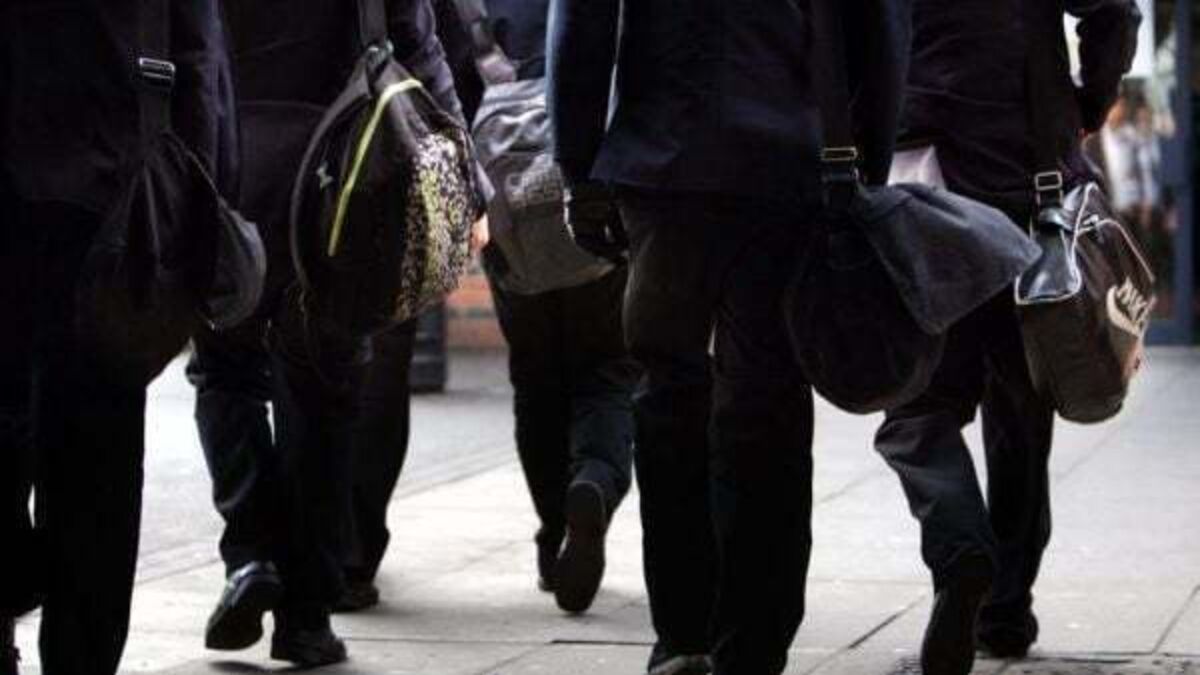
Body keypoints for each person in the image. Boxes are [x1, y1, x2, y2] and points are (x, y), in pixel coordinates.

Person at [547, 0, 910, 673]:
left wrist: (578, 167)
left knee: (669, 393)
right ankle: (754, 641)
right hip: (791, 160)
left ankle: (683, 632)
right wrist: (869, 159)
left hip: (664, 158)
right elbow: (880, 26)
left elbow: (582, 21)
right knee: (768, 402)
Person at [191, 0, 487, 666]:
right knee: (324, 387)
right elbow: (418, 45)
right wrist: (467, 181)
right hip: (340, 175)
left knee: (224, 368)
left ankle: (250, 554)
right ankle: (307, 615)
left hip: (227, 165)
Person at [875, 1, 1140, 673]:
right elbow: (1114, 10)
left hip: (920, 180)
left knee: (919, 405)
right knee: (1021, 407)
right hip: (1027, 174)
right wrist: (1085, 102)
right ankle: (1004, 608)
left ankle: (960, 547)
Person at [0, 2, 235, 673]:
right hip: (109, 201)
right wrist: (201, 202)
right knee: (96, 463)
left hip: (93, 204)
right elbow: (198, 58)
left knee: (57, 442)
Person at [444, 0, 638, 614]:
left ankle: (555, 533)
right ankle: (595, 482)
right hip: (597, 199)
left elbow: (447, 94)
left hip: (512, 217)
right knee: (608, 370)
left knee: (535, 379)